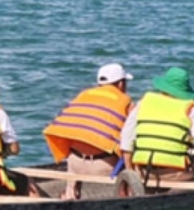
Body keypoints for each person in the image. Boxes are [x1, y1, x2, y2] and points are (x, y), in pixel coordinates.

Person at [120, 67, 194, 189]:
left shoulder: (143, 103)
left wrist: (130, 173)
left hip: (144, 171)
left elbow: (126, 138)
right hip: (173, 173)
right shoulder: (190, 109)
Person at [42, 63, 134, 200]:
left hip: (75, 162)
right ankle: (127, 194)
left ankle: (70, 193)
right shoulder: (126, 102)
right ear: (120, 84)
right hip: (104, 165)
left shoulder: (83, 95)